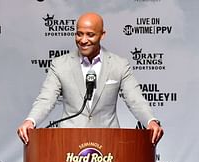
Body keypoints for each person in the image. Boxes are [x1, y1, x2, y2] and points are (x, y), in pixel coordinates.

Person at [17, 12, 163, 145]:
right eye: (79, 34)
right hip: (69, 142)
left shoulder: (119, 65)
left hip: (108, 142)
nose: (83, 40)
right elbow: (46, 99)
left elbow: (135, 99)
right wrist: (31, 121)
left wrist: (150, 121)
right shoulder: (60, 65)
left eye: (90, 34)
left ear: (102, 35)